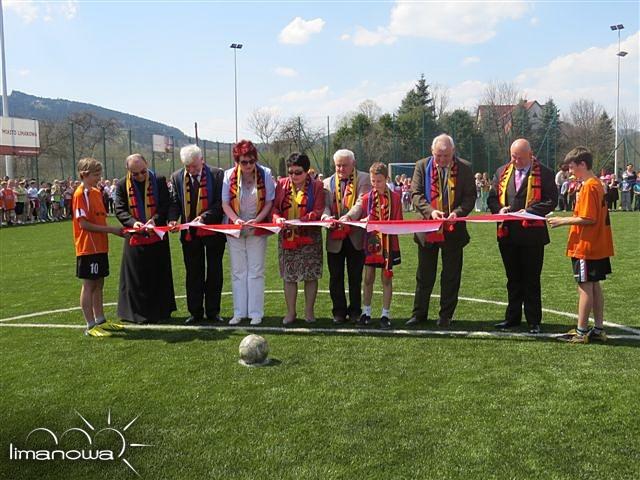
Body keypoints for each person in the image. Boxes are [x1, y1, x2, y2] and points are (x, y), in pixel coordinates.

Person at [487, 138, 557, 334]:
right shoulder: (502, 172)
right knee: (513, 278)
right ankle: (512, 318)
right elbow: (492, 198)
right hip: (507, 234)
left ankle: (534, 320)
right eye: (513, 157)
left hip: (532, 236)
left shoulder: (544, 172)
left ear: (530, 154)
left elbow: (551, 200)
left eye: (519, 157)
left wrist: (528, 212)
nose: (515, 161)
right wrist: (500, 210)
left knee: (531, 279)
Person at [406, 134, 476, 328]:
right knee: (424, 274)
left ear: (453, 152)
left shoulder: (464, 168)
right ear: (432, 152)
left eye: (446, 155)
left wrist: (457, 212)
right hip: (427, 228)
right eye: (438, 155)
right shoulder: (422, 166)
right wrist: (431, 211)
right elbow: (415, 194)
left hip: (454, 230)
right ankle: (419, 314)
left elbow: (470, 197)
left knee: (451, 275)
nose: (442, 159)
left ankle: (446, 315)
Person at [548, 147, 614, 343]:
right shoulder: (597, 184)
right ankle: (598, 328)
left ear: (583, 165)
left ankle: (582, 331)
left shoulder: (588, 186)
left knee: (585, 287)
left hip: (587, 246)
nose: (570, 172)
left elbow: (588, 218)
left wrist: (562, 220)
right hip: (598, 244)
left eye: (572, 167)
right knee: (594, 286)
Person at [115, 154, 176, 324]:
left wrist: (155, 219)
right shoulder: (121, 185)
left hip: (157, 234)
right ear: (128, 171)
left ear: (147, 164)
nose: (140, 176)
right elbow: (119, 209)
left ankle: (161, 311)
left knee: (159, 273)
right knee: (136, 277)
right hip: (135, 237)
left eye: (143, 172)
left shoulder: (159, 180)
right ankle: (135, 313)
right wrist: (134, 223)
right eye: (135, 174)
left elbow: (166, 203)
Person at [168, 144, 226, 324]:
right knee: (193, 273)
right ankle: (195, 312)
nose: (191, 170)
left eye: (194, 166)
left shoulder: (217, 174)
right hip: (189, 235)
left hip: (213, 232)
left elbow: (220, 203)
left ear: (202, 160)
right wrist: (172, 219)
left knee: (214, 271)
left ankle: (213, 311)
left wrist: (204, 218)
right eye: (187, 167)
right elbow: (175, 202)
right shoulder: (177, 176)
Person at [342, 162, 402, 329]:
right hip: (370, 244)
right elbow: (361, 217)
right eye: (373, 181)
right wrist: (362, 220)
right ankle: (366, 312)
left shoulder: (395, 198)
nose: (376, 185)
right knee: (368, 278)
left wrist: (386, 223)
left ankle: (385, 315)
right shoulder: (367, 197)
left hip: (389, 244)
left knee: (386, 278)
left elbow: (399, 222)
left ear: (387, 179)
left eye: (379, 181)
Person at [222, 140, 275, 326]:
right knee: (238, 272)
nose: (248, 165)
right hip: (235, 227)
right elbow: (225, 203)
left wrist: (258, 220)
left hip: (256, 226)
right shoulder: (228, 175)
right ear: (237, 161)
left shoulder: (266, 174)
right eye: (244, 162)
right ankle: (239, 312)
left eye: (251, 161)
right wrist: (236, 220)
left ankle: (255, 312)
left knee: (256, 271)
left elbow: (269, 201)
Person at [72, 158, 125, 337]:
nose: (99, 178)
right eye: (95, 175)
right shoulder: (80, 194)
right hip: (88, 247)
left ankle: (101, 319)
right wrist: (112, 230)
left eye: (99, 174)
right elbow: (84, 224)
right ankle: (90, 325)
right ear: (84, 175)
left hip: (101, 246)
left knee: (99, 282)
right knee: (89, 284)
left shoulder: (95, 192)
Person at [272, 153, 325, 325]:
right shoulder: (281, 185)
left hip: (310, 236)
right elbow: (274, 208)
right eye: (291, 172)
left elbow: (318, 209)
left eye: (298, 172)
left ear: (307, 171)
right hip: (287, 236)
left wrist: (304, 220)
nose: (294, 176)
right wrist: (277, 218)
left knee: (310, 275)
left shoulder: (317, 186)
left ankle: (309, 312)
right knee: (289, 275)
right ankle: (291, 312)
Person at [321, 149, 371, 324]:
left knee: (355, 276)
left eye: (344, 165)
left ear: (353, 164)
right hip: (334, 236)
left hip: (355, 236)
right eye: (338, 165)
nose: (341, 169)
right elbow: (324, 205)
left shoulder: (364, 179)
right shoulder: (327, 182)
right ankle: (339, 312)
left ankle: (355, 311)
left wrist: (349, 217)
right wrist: (326, 217)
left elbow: (361, 202)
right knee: (335, 277)